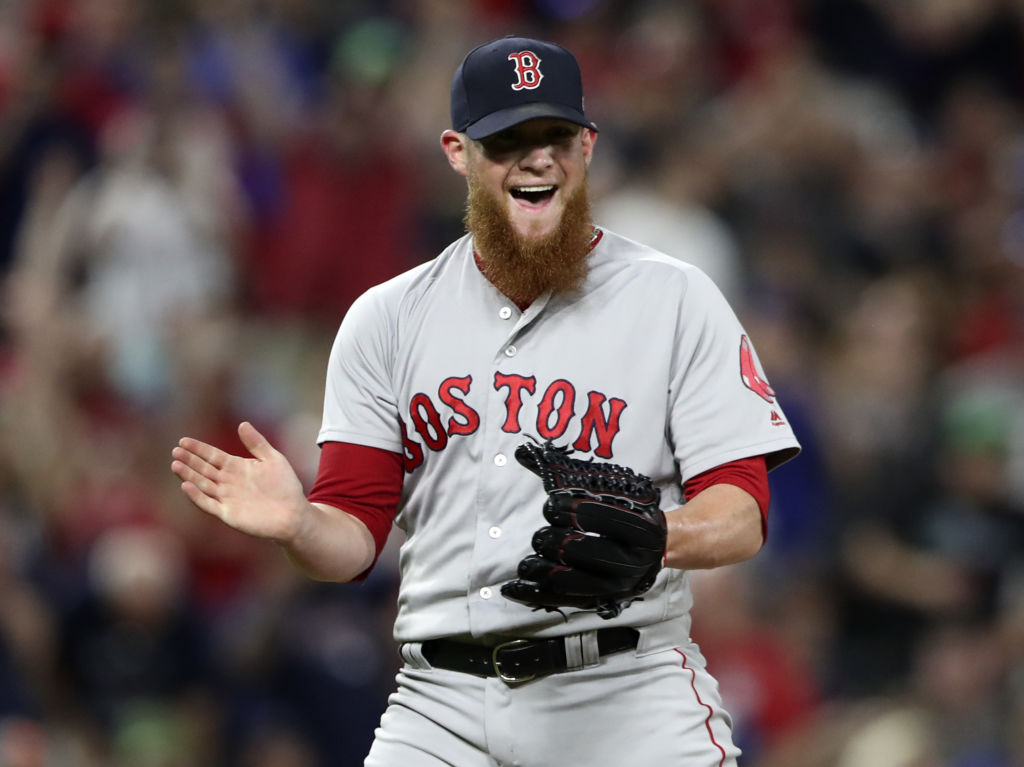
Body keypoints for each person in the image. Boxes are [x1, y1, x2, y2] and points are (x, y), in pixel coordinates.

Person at [170, 35, 801, 766]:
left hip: (626, 692)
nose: (536, 158)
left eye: (555, 136)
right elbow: (352, 540)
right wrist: (301, 523)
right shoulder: (388, 318)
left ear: (588, 147)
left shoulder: (675, 297)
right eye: (507, 140)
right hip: (444, 705)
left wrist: (664, 535)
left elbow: (743, 510)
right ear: (458, 153)